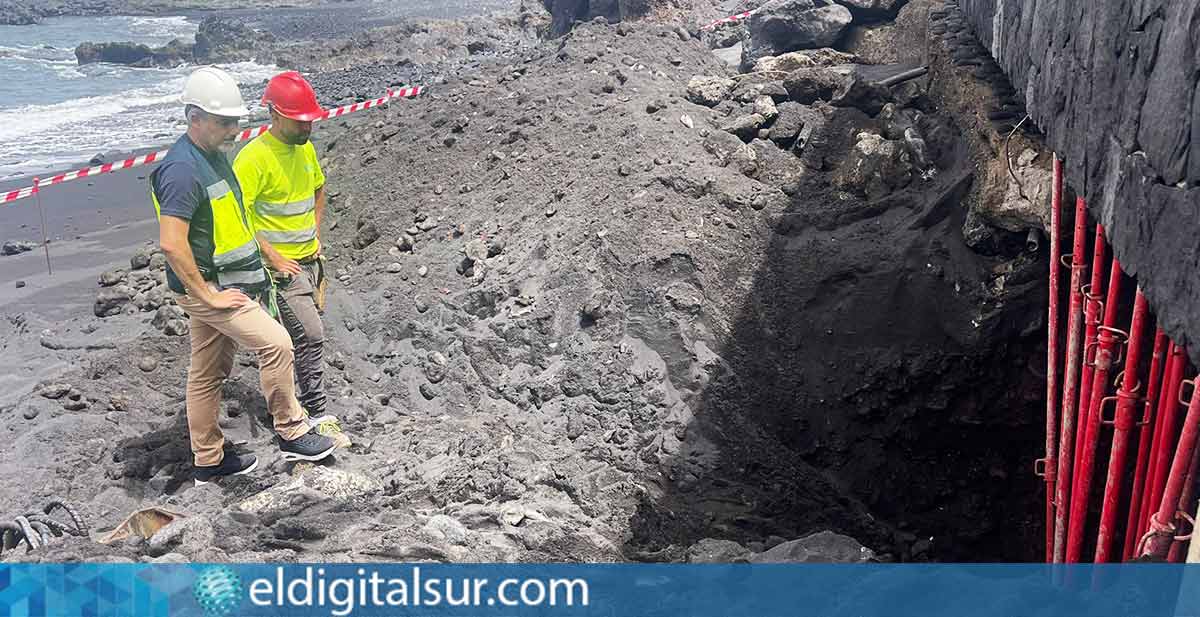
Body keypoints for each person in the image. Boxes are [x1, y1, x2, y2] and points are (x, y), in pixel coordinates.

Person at [152, 66, 336, 486]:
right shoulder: (182, 170)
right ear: (193, 117)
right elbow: (171, 243)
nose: (234, 130)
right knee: (277, 344)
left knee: (207, 371)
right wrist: (209, 295)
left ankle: (209, 459)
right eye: (223, 122)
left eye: (236, 121)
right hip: (211, 287)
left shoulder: (211, 158)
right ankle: (292, 431)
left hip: (225, 280)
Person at [233, 71, 331, 422]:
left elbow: (319, 188)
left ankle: (295, 406)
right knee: (309, 336)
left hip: (308, 261)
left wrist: (315, 234)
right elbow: (238, 214)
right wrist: (273, 257)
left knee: (300, 340)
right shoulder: (253, 158)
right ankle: (315, 414)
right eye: (299, 122)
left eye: (310, 122)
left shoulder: (305, 150)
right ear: (274, 115)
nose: (307, 129)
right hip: (279, 271)